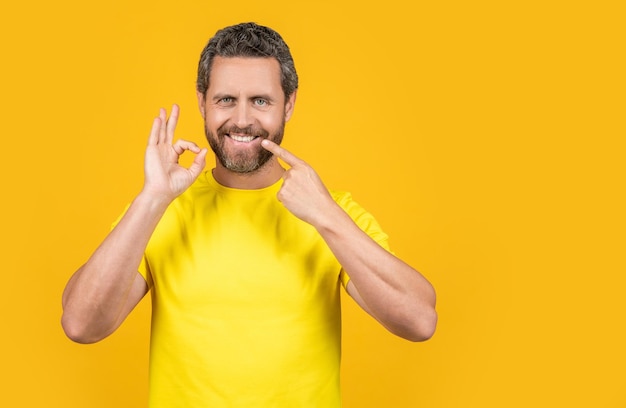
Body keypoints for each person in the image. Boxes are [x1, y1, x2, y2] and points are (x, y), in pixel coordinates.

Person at [61, 22, 437, 407]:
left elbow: (419, 321)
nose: (242, 119)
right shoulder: (160, 210)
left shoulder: (329, 213)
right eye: (225, 99)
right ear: (202, 101)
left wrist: (326, 215)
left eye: (260, 100)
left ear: (288, 104)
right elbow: (81, 325)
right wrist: (151, 198)